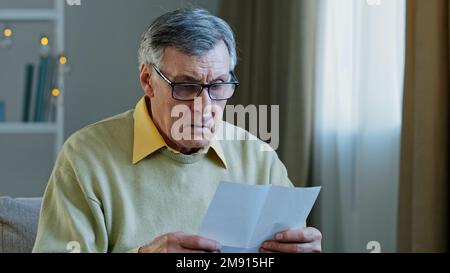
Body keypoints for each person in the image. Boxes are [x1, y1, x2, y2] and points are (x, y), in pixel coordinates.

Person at [33, 8, 322, 253]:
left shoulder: (257, 157)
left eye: (218, 85)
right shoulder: (85, 156)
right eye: (186, 86)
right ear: (148, 80)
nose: (204, 106)